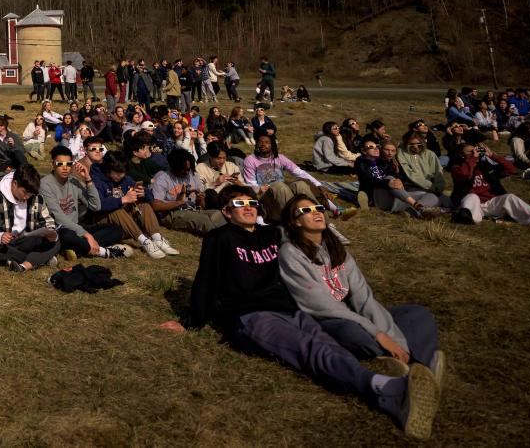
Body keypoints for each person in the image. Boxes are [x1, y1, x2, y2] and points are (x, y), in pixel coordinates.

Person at [181, 184, 440, 439]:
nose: (247, 208)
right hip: (252, 316)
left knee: (329, 345)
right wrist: (191, 322)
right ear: (226, 212)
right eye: (239, 204)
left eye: (251, 203)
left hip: (290, 311)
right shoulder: (220, 237)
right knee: (309, 349)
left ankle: (391, 387)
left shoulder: (271, 234)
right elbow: (206, 279)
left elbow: (302, 232)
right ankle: (388, 388)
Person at [279, 196, 446, 381]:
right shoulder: (290, 253)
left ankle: (414, 364)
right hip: (325, 319)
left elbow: (363, 296)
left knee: (417, 314)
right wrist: (377, 333)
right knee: (356, 333)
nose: (316, 212)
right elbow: (322, 305)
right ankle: (410, 362)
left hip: (352, 312)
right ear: (295, 222)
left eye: (318, 207)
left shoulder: (336, 248)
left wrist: (389, 336)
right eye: (306, 211)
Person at [39, 146, 131, 260]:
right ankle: (103, 252)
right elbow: (59, 217)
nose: (65, 168)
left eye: (68, 164)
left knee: (116, 230)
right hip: (59, 229)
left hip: (77, 227)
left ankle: (77, 249)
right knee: (67, 236)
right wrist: (87, 235)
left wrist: (88, 179)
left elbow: (95, 206)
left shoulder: (73, 180)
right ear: (52, 164)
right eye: (60, 164)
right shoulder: (45, 184)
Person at [447, 142, 530, 229]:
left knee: (509, 197)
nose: (474, 153)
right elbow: (465, 174)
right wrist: (473, 158)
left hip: (489, 203)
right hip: (470, 204)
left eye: (475, 151)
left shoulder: (486, 167)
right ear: (461, 155)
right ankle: (467, 218)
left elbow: (511, 169)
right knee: (472, 196)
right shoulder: (457, 167)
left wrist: (492, 155)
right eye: (470, 152)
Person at [0, 163, 60, 272]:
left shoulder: (35, 196)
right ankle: (38, 259)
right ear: (14, 183)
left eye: (30, 194)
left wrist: (51, 232)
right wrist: (0, 236)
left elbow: (48, 219)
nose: (27, 196)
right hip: (5, 243)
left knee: (56, 241)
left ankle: (24, 262)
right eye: (25, 192)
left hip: (25, 239)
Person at [89, 152, 177, 259]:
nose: (120, 176)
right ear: (107, 170)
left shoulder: (125, 179)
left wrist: (144, 193)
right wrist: (123, 200)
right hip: (105, 222)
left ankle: (157, 238)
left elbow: (150, 198)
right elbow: (97, 205)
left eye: (123, 173)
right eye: (117, 173)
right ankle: (145, 242)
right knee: (117, 210)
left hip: (126, 223)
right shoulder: (96, 180)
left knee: (143, 205)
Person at [241, 134, 330, 224]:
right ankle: (293, 221)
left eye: (267, 142)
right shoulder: (250, 160)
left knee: (300, 185)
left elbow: (299, 172)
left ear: (272, 145)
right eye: (260, 142)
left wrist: (318, 185)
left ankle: (323, 219)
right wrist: (259, 189)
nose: (263, 144)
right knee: (280, 186)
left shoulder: (279, 157)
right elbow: (251, 183)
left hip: (282, 190)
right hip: (265, 195)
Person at [149, 149, 225, 235]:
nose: (187, 172)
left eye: (189, 169)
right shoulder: (162, 178)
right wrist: (179, 202)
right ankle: (223, 239)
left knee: (218, 214)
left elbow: (201, 206)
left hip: (192, 209)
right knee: (204, 220)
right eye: (184, 169)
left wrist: (200, 199)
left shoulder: (192, 175)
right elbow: (155, 205)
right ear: (175, 167)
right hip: (172, 213)